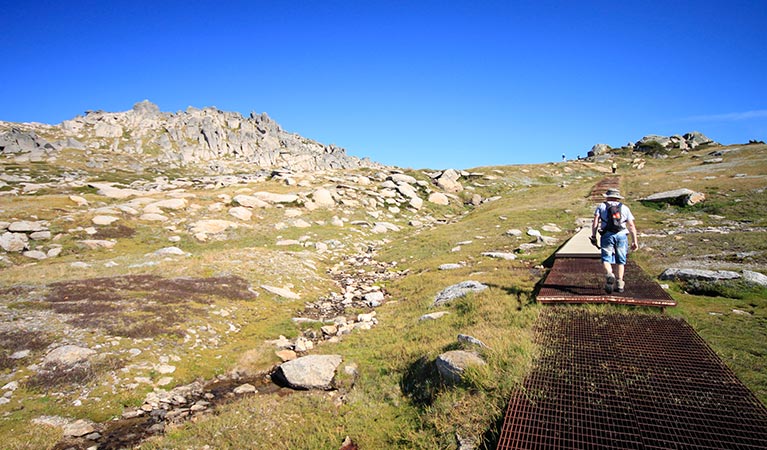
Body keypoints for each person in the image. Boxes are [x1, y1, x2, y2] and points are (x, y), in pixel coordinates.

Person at [591, 188, 639, 293]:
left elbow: (595, 223)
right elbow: (631, 225)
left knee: (606, 258)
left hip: (607, 235)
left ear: (607, 196)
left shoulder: (601, 206)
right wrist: (634, 240)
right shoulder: (625, 208)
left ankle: (609, 273)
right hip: (621, 235)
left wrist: (594, 236)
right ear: (618, 198)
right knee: (621, 260)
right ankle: (620, 283)